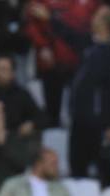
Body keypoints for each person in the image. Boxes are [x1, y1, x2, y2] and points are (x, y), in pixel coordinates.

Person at [64, 7, 110, 184]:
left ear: (104, 25)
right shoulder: (91, 46)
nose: (93, 18)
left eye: (98, 16)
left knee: (105, 172)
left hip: (101, 126)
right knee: (77, 171)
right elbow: (69, 35)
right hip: (80, 121)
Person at [24, 0, 99, 128]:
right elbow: (31, 24)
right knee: (52, 107)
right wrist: (42, 46)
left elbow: (82, 24)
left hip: (75, 59)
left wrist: (52, 17)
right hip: (50, 62)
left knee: (78, 106)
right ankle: (53, 140)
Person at [0, 54, 46, 136]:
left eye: (3, 69)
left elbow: (42, 118)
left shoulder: (21, 94)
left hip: (13, 139)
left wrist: (31, 124)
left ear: (12, 73)